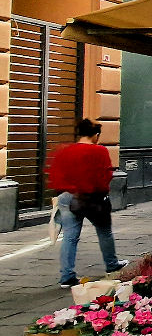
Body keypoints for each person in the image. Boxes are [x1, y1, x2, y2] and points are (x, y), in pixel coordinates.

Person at [49, 119, 126, 286]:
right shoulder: (99, 151)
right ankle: (112, 266)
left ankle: (67, 277)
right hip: (92, 198)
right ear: (95, 135)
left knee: (69, 237)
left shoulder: (65, 151)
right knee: (104, 232)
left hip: (68, 197)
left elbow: (55, 174)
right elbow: (104, 176)